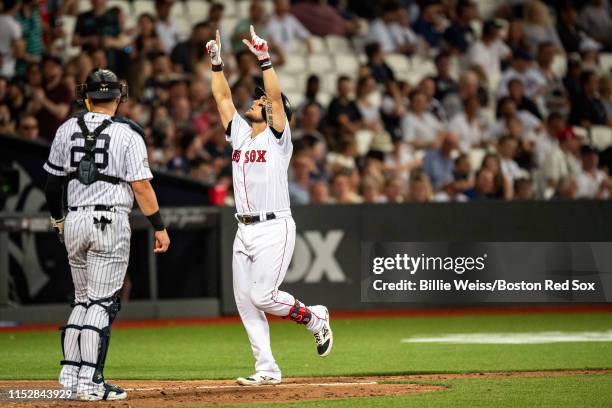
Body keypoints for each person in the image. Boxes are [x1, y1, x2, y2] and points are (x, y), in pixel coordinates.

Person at [205, 26, 333, 386]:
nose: (257, 100)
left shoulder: (279, 138)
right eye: (259, 99)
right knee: (246, 303)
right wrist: (217, 64)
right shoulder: (243, 135)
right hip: (244, 227)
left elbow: (276, 99)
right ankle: (267, 370)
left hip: (274, 226)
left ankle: (313, 318)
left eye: (261, 100)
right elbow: (222, 100)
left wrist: (265, 58)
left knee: (263, 296)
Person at [43, 69, 170, 400]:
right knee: (102, 303)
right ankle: (91, 383)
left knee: (82, 301)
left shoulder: (65, 128)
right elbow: (141, 186)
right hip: (109, 221)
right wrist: (159, 226)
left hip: (74, 220)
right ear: (119, 97)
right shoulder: (128, 135)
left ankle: (70, 377)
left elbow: (52, 183)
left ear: (86, 96)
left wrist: (58, 220)